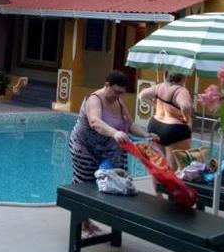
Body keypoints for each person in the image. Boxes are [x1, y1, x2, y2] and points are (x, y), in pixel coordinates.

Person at [68, 70, 159, 237]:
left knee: (115, 182)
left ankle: (101, 222)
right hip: (84, 147)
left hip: (107, 148)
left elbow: (130, 125)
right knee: (85, 184)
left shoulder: (118, 101)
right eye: (116, 91)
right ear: (107, 85)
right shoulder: (94, 99)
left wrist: (146, 135)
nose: (118, 95)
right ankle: (83, 224)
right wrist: (115, 132)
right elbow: (95, 122)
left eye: (121, 93)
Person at [139, 72, 193, 170]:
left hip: (155, 125)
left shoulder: (159, 86)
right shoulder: (181, 91)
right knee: (174, 168)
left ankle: (157, 181)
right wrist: (187, 119)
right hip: (173, 128)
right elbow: (185, 106)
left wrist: (154, 105)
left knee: (158, 165)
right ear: (183, 78)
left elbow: (142, 95)